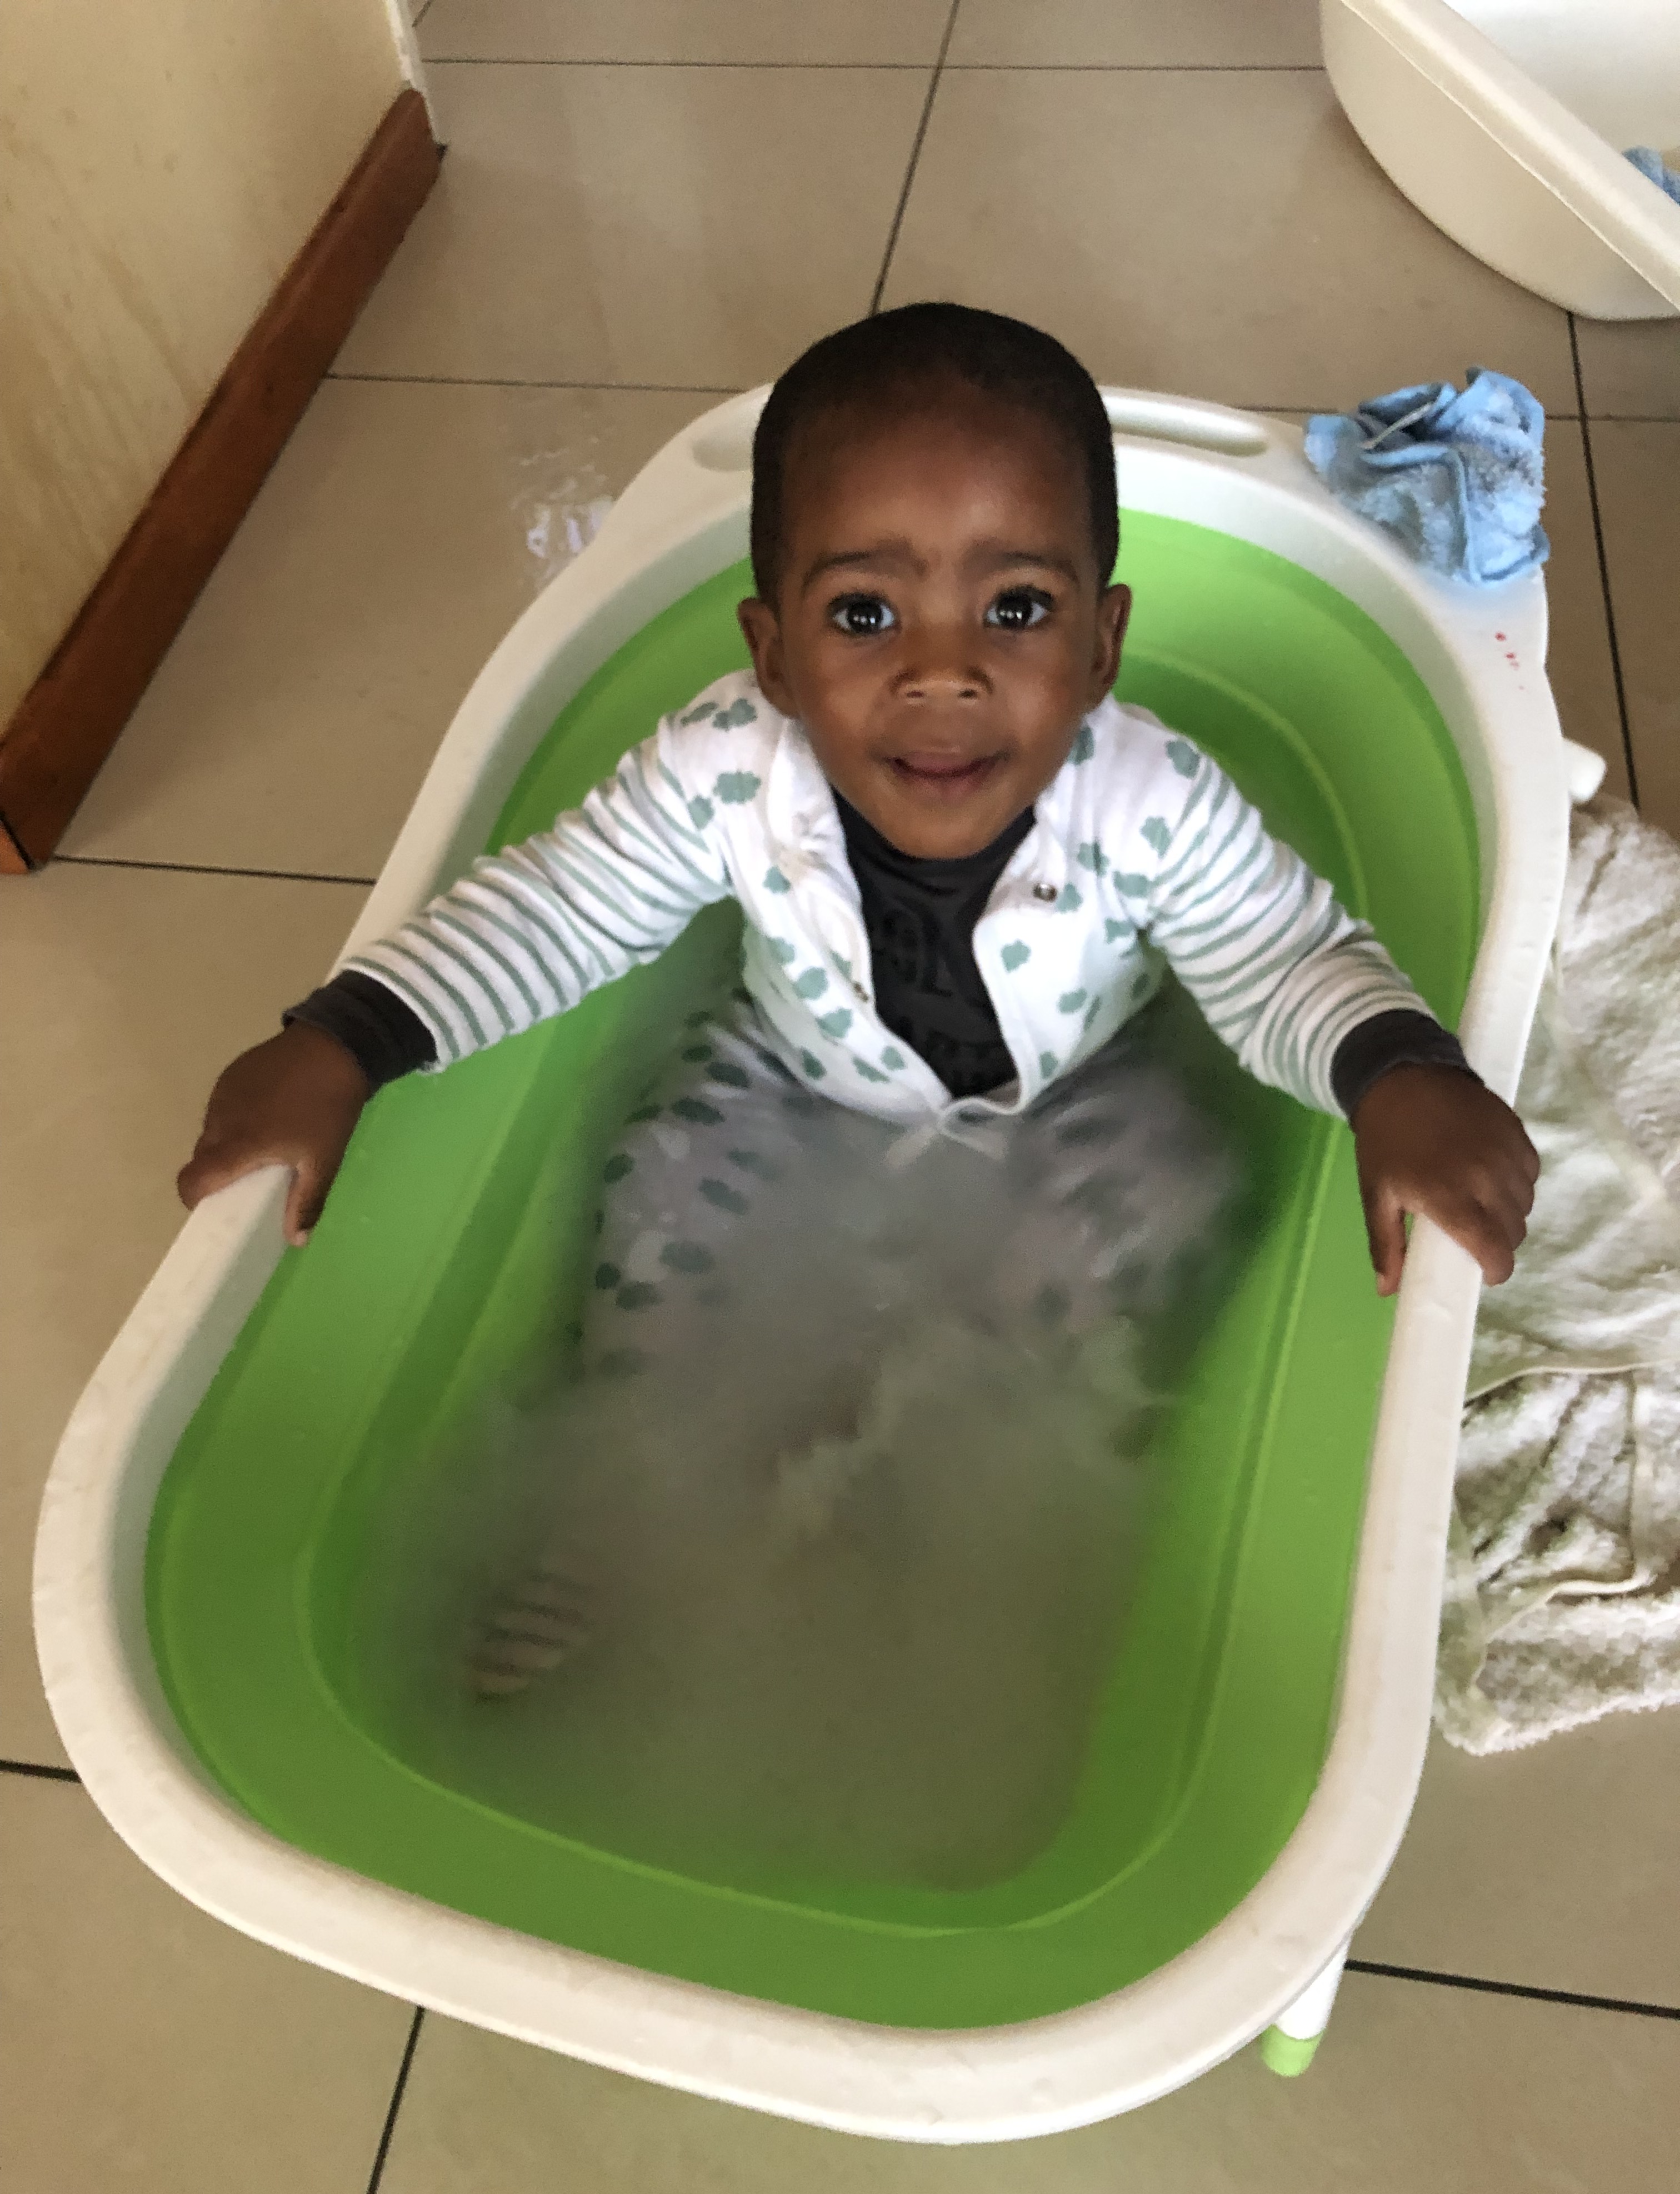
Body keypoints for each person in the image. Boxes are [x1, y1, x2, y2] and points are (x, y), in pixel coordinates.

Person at [178, 303, 1538, 1688]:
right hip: (782, 1075)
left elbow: (1274, 950)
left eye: (1017, 609)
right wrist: (345, 1038)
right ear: (773, 656)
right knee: (655, 1215)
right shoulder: (721, 771)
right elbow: (562, 905)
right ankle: (628, 1510)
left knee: (1161, 1210)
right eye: (865, 612)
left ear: (1104, 644)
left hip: (1086, 1091)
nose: (942, 669)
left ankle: (924, 1480)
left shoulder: (1149, 798)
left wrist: (1397, 1074)